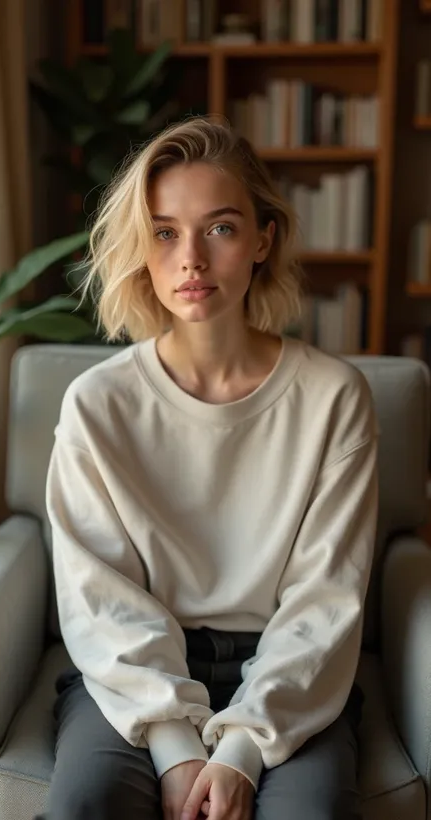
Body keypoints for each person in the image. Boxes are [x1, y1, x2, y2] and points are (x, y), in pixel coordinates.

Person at [41, 116, 379, 820]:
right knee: (86, 805)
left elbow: (324, 602)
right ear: (142, 247)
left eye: (220, 228)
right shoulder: (98, 405)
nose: (190, 258)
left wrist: (242, 752)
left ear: (264, 238)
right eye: (164, 232)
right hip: (133, 672)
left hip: (291, 675)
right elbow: (99, 599)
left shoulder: (333, 399)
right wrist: (177, 749)